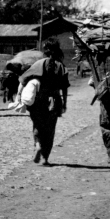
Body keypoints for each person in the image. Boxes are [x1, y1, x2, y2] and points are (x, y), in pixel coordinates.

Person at [19, 38, 69, 166]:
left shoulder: (38, 64)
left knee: (38, 125)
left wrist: (20, 95)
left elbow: (23, 80)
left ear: (45, 50)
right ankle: (45, 158)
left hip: (38, 101)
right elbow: (64, 88)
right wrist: (64, 104)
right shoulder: (61, 66)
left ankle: (38, 145)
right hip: (54, 101)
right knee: (50, 130)